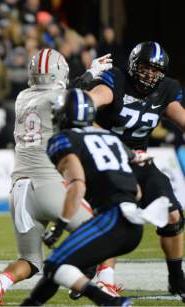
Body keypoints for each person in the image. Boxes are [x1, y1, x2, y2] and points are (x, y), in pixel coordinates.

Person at [0, 49, 115, 307]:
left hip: (18, 191)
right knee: (106, 232)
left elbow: (59, 95)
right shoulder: (60, 98)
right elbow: (79, 101)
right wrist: (91, 74)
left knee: (30, 261)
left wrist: (86, 75)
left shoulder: (22, 97)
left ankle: (1, 283)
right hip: (50, 185)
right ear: (59, 71)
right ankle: (105, 285)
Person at [21, 88, 170, 306]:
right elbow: (137, 190)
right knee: (60, 264)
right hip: (133, 224)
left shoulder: (63, 140)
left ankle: (109, 301)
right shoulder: (109, 137)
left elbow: (77, 185)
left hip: (112, 219)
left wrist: (59, 227)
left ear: (63, 114)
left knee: (54, 263)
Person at [86, 41, 185, 300]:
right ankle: (102, 278)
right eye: (145, 67)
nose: (150, 74)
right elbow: (96, 99)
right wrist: (88, 100)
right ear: (132, 64)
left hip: (139, 161)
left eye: (156, 70)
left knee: (173, 215)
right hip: (106, 159)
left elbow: (180, 117)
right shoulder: (117, 79)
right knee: (119, 214)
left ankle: (177, 279)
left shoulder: (167, 89)